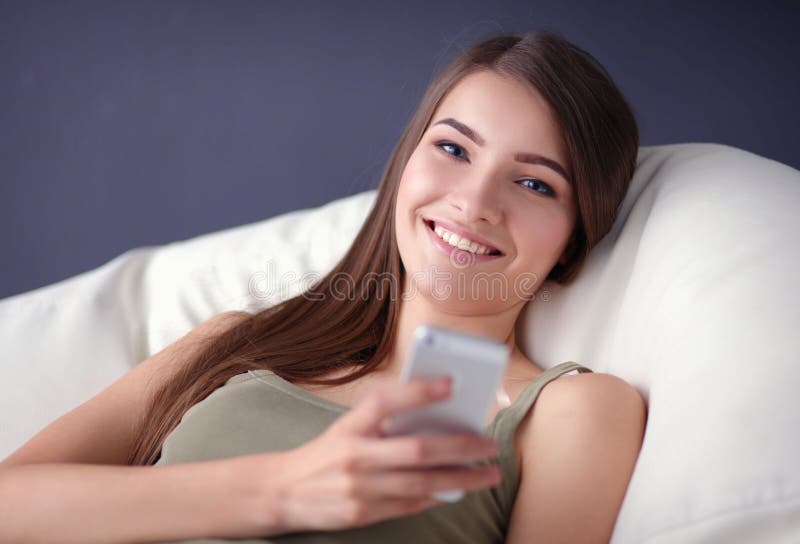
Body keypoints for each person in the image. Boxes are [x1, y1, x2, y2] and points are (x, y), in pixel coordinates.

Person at [0, 30, 646, 543]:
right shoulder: (238, 343)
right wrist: (281, 488)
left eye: (535, 184)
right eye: (453, 150)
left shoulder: (571, 411)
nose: (474, 202)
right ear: (404, 167)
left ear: (574, 242)